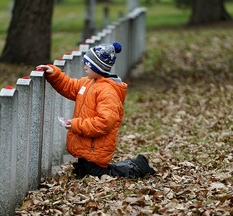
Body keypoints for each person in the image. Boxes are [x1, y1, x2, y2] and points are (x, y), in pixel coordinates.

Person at [36, 42, 155, 179]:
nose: (85, 66)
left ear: (98, 67)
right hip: (87, 147)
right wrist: (54, 74)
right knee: (85, 171)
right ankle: (89, 169)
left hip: (95, 149)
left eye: (88, 64)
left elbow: (104, 122)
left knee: (104, 174)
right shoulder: (88, 83)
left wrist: (76, 124)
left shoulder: (108, 92)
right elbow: (69, 86)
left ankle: (137, 167)